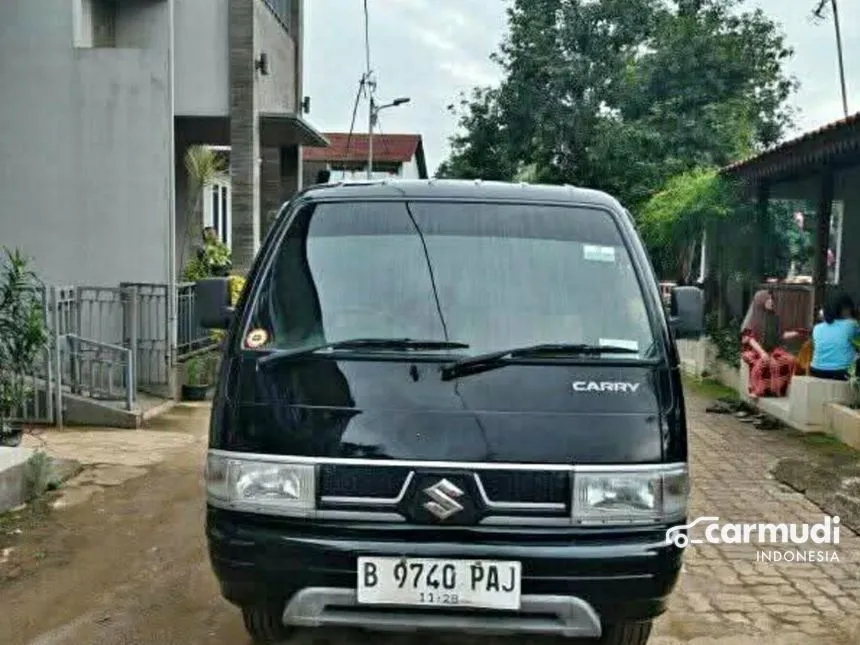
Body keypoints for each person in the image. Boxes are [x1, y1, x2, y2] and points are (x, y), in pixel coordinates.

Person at [741, 290, 800, 398]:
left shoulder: (774, 318)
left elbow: (780, 336)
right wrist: (762, 353)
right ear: (761, 301)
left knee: (791, 360)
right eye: (768, 299)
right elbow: (750, 339)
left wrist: (797, 333)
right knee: (764, 363)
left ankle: (778, 390)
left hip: (772, 350)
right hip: (755, 350)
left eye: (772, 299)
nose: (771, 302)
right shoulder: (753, 319)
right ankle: (758, 390)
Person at [809, 293, 859, 381]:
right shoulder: (851, 324)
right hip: (842, 372)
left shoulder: (817, 328)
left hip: (816, 370)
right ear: (845, 309)